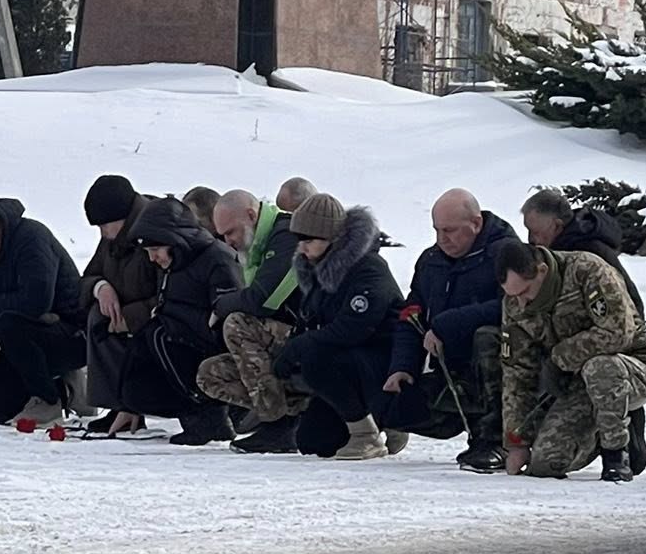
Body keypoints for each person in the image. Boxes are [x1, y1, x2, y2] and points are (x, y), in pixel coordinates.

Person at [497, 240, 646, 483]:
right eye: (512, 295)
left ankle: (617, 454)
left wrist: (560, 358)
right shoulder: (514, 303)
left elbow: (618, 332)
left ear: (542, 271)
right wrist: (516, 442)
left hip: (629, 366)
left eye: (525, 292)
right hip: (575, 383)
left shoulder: (587, 270)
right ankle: (602, 427)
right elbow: (516, 373)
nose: (521, 303)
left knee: (600, 368)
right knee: (546, 463)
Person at [381, 188, 516, 472]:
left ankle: (496, 439)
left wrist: (447, 324)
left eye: (450, 230)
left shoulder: (506, 255)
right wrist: (402, 366)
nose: (443, 239)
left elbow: (514, 307)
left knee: (487, 337)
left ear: (476, 224)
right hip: (446, 364)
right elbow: (412, 313)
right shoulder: (431, 261)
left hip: (500, 358)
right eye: (437, 230)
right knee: (391, 409)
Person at [269, 194, 404, 460]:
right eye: (300, 241)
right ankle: (378, 421)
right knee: (312, 442)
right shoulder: (319, 270)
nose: (303, 248)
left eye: (309, 241)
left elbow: (353, 328)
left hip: (381, 364)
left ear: (335, 239)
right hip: (349, 365)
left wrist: (299, 347)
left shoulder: (369, 269)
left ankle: (369, 433)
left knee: (314, 355)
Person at [110, 197, 241, 444]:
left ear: (173, 241)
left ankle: (208, 416)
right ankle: (185, 414)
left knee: (159, 335)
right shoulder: (175, 262)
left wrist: (169, 314)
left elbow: (225, 319)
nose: (152, 259)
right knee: (145, 348)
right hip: (183, 345)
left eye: (155, 250)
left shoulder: (217, 259)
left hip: (213, 352)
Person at [0, 197, 89, 428]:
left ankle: (48, 399)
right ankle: (67, 390)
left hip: (69, 334)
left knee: (8, 323)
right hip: (22, 344)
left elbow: (37, 301)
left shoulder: (32, 238)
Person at [198, 187, 305, 454]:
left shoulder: (285, 235)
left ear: (251, 215)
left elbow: (264, 300)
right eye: (221, 235)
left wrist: (222, 305)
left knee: (237, 323)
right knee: (209, 375)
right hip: (286, 343)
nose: (227, 241)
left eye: (230, 232)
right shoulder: (256, 247)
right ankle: (295, 414)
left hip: (308, 338)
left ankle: (275, 424)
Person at [80, 174, 161, 434]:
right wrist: (100, 287)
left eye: (104, 225)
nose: (103, 233)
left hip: (151, 315)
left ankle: (132, 405)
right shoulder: (112, 238)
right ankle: (116, 405)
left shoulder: (157, 229)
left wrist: (132, 316)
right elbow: (88, 275)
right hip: (121, 313)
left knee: (112, 323)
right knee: (98, 317)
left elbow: (170, 290)